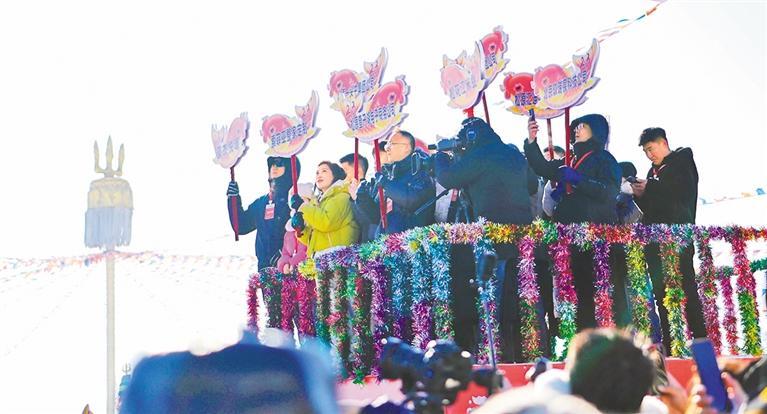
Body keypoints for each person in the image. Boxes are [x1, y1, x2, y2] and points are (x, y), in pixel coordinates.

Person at [434, 117, 536, 361]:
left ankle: (492, 356)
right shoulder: (512, 154)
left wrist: (440, 157)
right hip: (523, 234)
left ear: (471, 137)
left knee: (491, 297)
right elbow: (532, 185)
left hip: (492, 235)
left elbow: (448, 178)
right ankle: (531, 351)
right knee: (527, 298)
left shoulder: (480, 154)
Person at [525, 114, 627, 331]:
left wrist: (578, 179)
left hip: (597, 239)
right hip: (570, 240)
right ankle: (584, 339)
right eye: (576, 126)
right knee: (579, 295)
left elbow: (609, 192)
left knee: (603, 295)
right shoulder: (569, 160)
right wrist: (532, 141)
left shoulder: (604, 158)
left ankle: (612, 340)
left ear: (597, 131)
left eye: (583, 126)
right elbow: (541, 167)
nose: (577, 130)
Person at [631, 127, 707, 352]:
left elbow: (681, 193)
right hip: (655, 242)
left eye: (651, 149)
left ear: (663, 143)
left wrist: (651, 187)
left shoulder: (682, 161)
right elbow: (654, 207)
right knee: (661, 294)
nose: (649, 155)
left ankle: (700, 340)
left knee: (687, 290)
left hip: (678, 239)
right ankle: (671, 343)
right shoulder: (652, 171)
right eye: (645, 151)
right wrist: (641, 195)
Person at [354, 130, 436, 235]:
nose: (387, 148)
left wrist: (386, 184)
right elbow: (376, 217)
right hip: (386, 240)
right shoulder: (389, 175)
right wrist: (362, 197)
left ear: (406, 147)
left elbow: (414, 200)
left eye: (391, 144)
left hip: (412, 239)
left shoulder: (421, 170)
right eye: (387, 145)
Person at [227, 156, 300, 270]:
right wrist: (233, 198)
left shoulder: (296, 200)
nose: (274, 167)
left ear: (290, 168)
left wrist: (285, 253)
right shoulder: (261, 203)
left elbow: (305, 233)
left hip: (289, 268)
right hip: (264, 269)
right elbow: (241, 226)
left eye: (279, 163)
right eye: (272, 164)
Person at [290, 161, 359, 257]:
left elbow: (326, 222)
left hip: (338, 257)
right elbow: (311, 240)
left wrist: (303, 206)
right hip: (320, 258)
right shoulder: (316, 202)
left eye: (324, 171)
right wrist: (301, 229)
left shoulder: (342, 196)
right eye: (317, 173)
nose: (319, 175)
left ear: (335, 175)